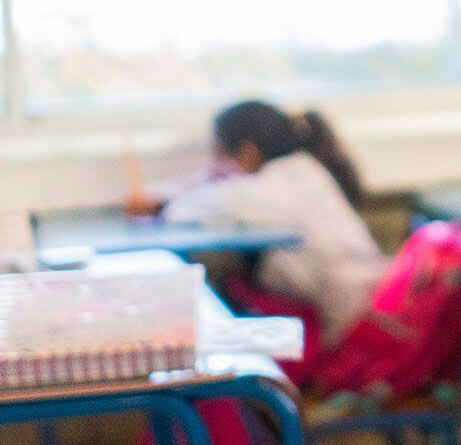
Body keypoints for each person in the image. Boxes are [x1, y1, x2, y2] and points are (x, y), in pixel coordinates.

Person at [137, 100, 386, 341]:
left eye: (220, 154)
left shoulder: (271, 187)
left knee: (229, 292)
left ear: (247, 153)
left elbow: (185, 209)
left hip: (348, 322)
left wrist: (162, 200)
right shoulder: (303, 170)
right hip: (360, 301)